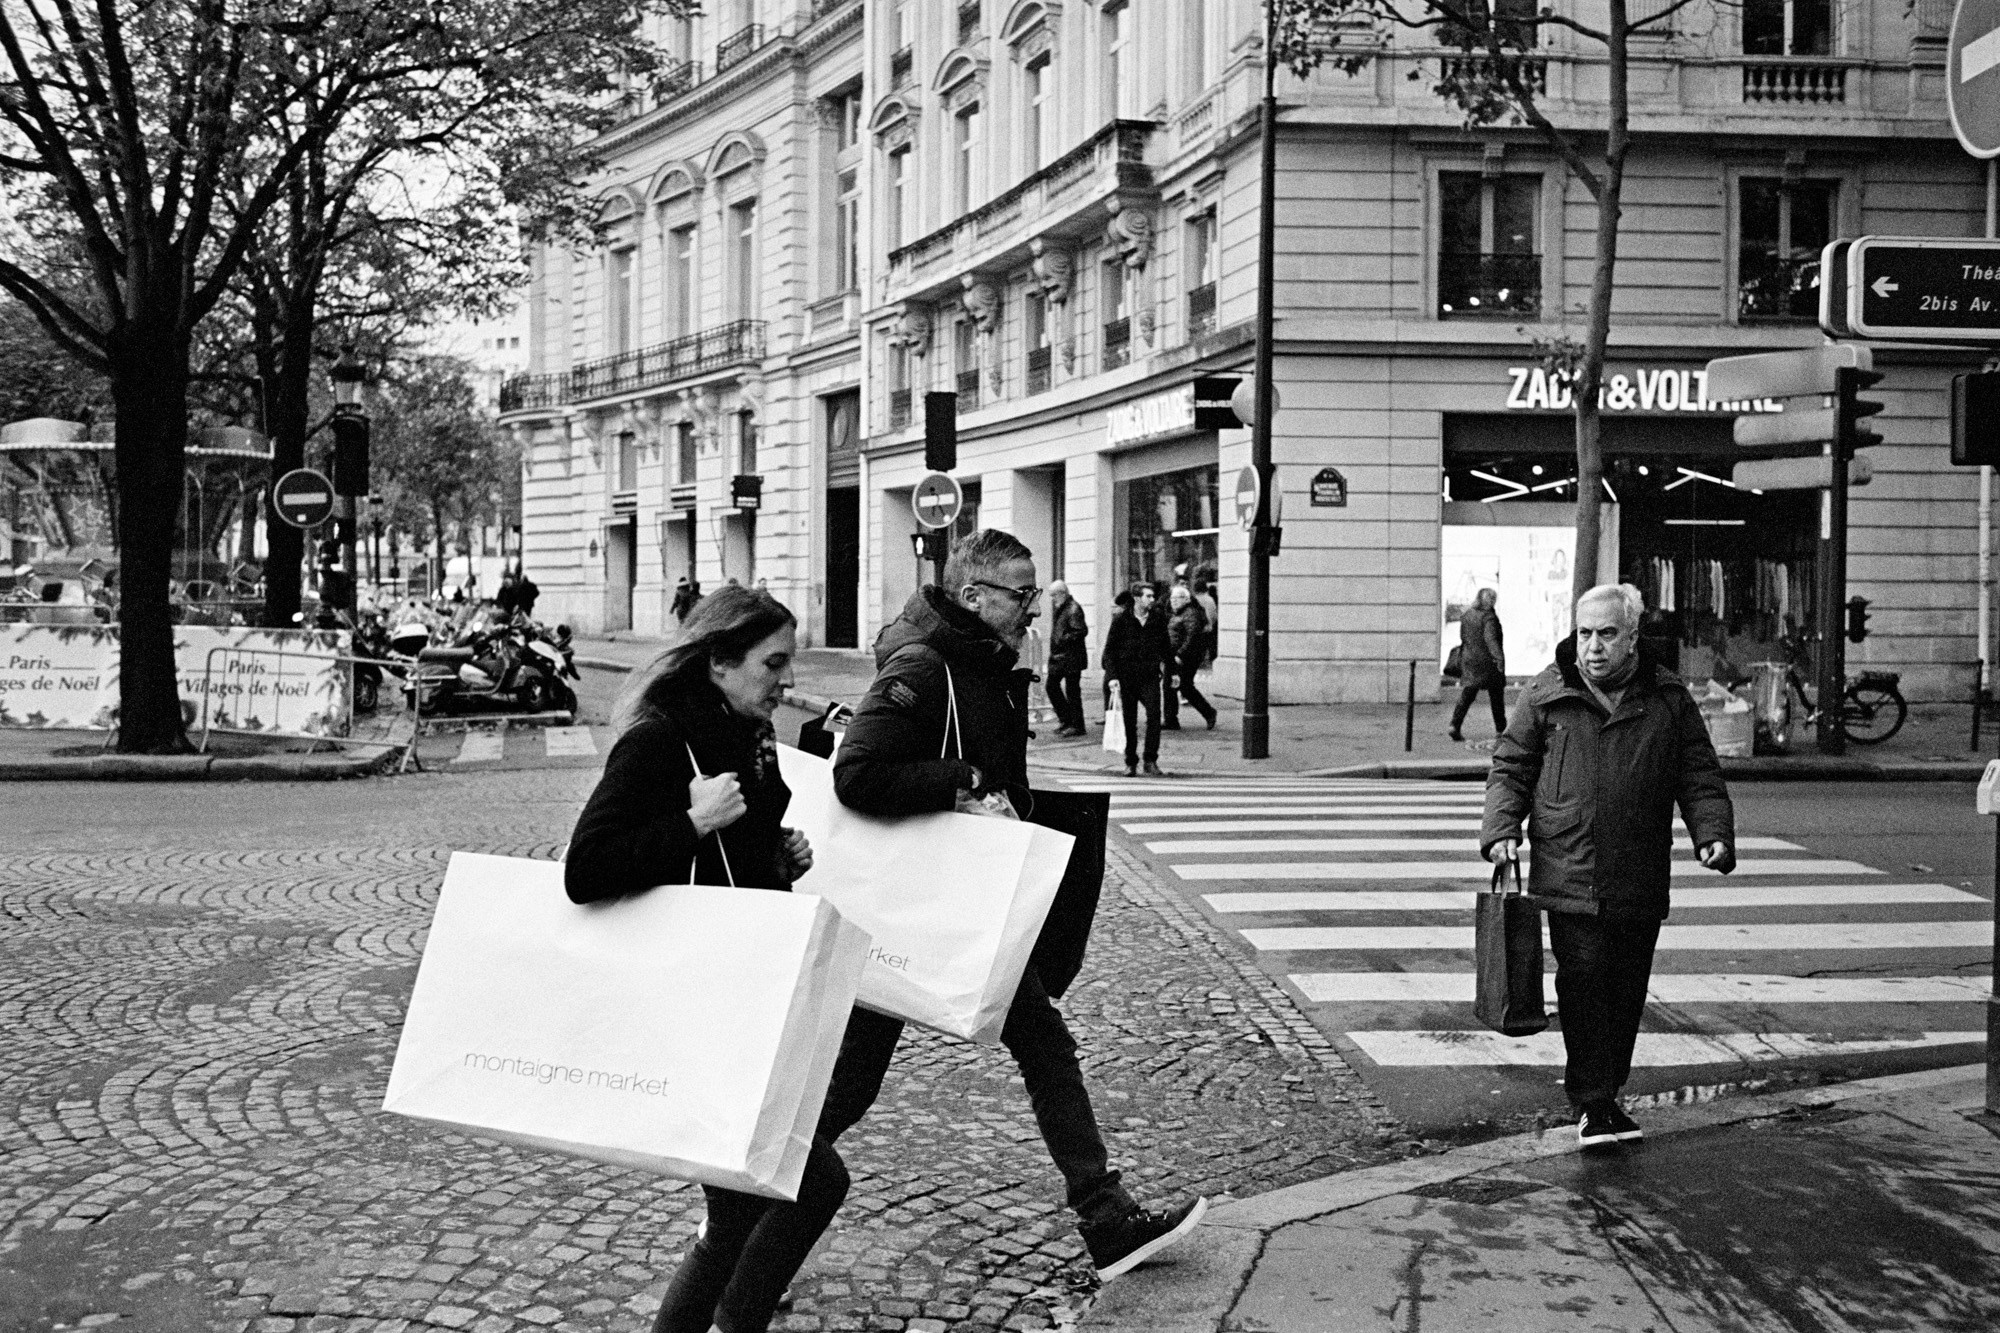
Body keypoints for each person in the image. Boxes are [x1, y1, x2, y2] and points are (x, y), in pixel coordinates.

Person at [830, 529, 1207, 1280]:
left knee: (1041, 1042)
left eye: (1033, 593)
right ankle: (740, 1212)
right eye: (1020, 593)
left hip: (961, 897)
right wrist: (962, 779)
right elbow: (858, 773)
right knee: (851, 1082)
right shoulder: (923, 663)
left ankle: (1106, 1217)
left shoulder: (989, 662)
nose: (1032, 607)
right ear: (974, 596)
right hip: (919, 903)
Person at [564, 586, 840, 1333]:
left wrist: (778, 858)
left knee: (774, 1197)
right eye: (772, 662)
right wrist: (692, 821)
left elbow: (734, 863)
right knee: (794, 1189)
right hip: (694, 1004)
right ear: (719, 661)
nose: (785, 680)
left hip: (742, 995)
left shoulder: (744, 731)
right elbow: (585, 868)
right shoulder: (661, 738)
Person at [1481, 583, 1736, 1149]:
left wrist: (1712, 835)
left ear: (1633, 637)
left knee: (1625, 990)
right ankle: (1593, 1102)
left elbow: (1698, 775)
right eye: (1585, 633)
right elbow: (1511, 768)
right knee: (1584, 981)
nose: (1592, 647)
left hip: (1639, 870)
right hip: (1568, 867)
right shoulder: (1548, 693)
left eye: (1607, 634)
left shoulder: (1668, 698)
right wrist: (1501, 832)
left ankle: (1607, 1092)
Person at [1101, 582, 1171, 776]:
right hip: (1127, 677)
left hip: (1149, 676)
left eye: (1153, 596)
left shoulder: (1157, 619)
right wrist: (1112, 677)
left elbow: (1166, 647)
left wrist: (1173, 673)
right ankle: (1130, 762)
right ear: (1137, 598)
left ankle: (1150, 760)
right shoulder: (1121, 620)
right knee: (1129, 720)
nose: (1152, 600)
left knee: (1154, 716)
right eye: (1148, 596)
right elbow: (1110, 651)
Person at [1449, 587, 1508, 742]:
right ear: (1484, 599)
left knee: (1468, 693)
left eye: (1494, 598)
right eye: (1491, 598)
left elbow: (1463, 636)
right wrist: (1499, 659)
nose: (1493, 601)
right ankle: (1501, 730)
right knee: (1496, 696)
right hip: (1487, 662)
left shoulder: (1467, 614)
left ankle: (1454, 724)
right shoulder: (1489, 618)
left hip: (1470, 660)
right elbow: (1491, 640)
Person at [1162, 584, 1217, 731]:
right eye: (1172, 598)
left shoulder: (1190, 613)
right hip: (1174, 655)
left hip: (1184, 657)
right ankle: (1171, 719)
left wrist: (1180, 655)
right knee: (1171, 686)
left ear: (1186, 599)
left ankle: (1208, 713)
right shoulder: (1178, 613)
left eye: (1177, 598)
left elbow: (1192, 637)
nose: (1173, 601)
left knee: (1183, 686)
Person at [1043, 579, 1089, 737]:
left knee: (1071, 691)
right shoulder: (1064, 607)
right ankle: (1067, 720)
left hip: (1070, 658)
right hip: (1063, 657)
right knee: (1053, 687)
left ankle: (1075, 724)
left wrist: (1062, 639)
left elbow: (1080, 631)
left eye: (1054, 595)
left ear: (1062, 593)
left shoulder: (1072, 608)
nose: (1052, 599)